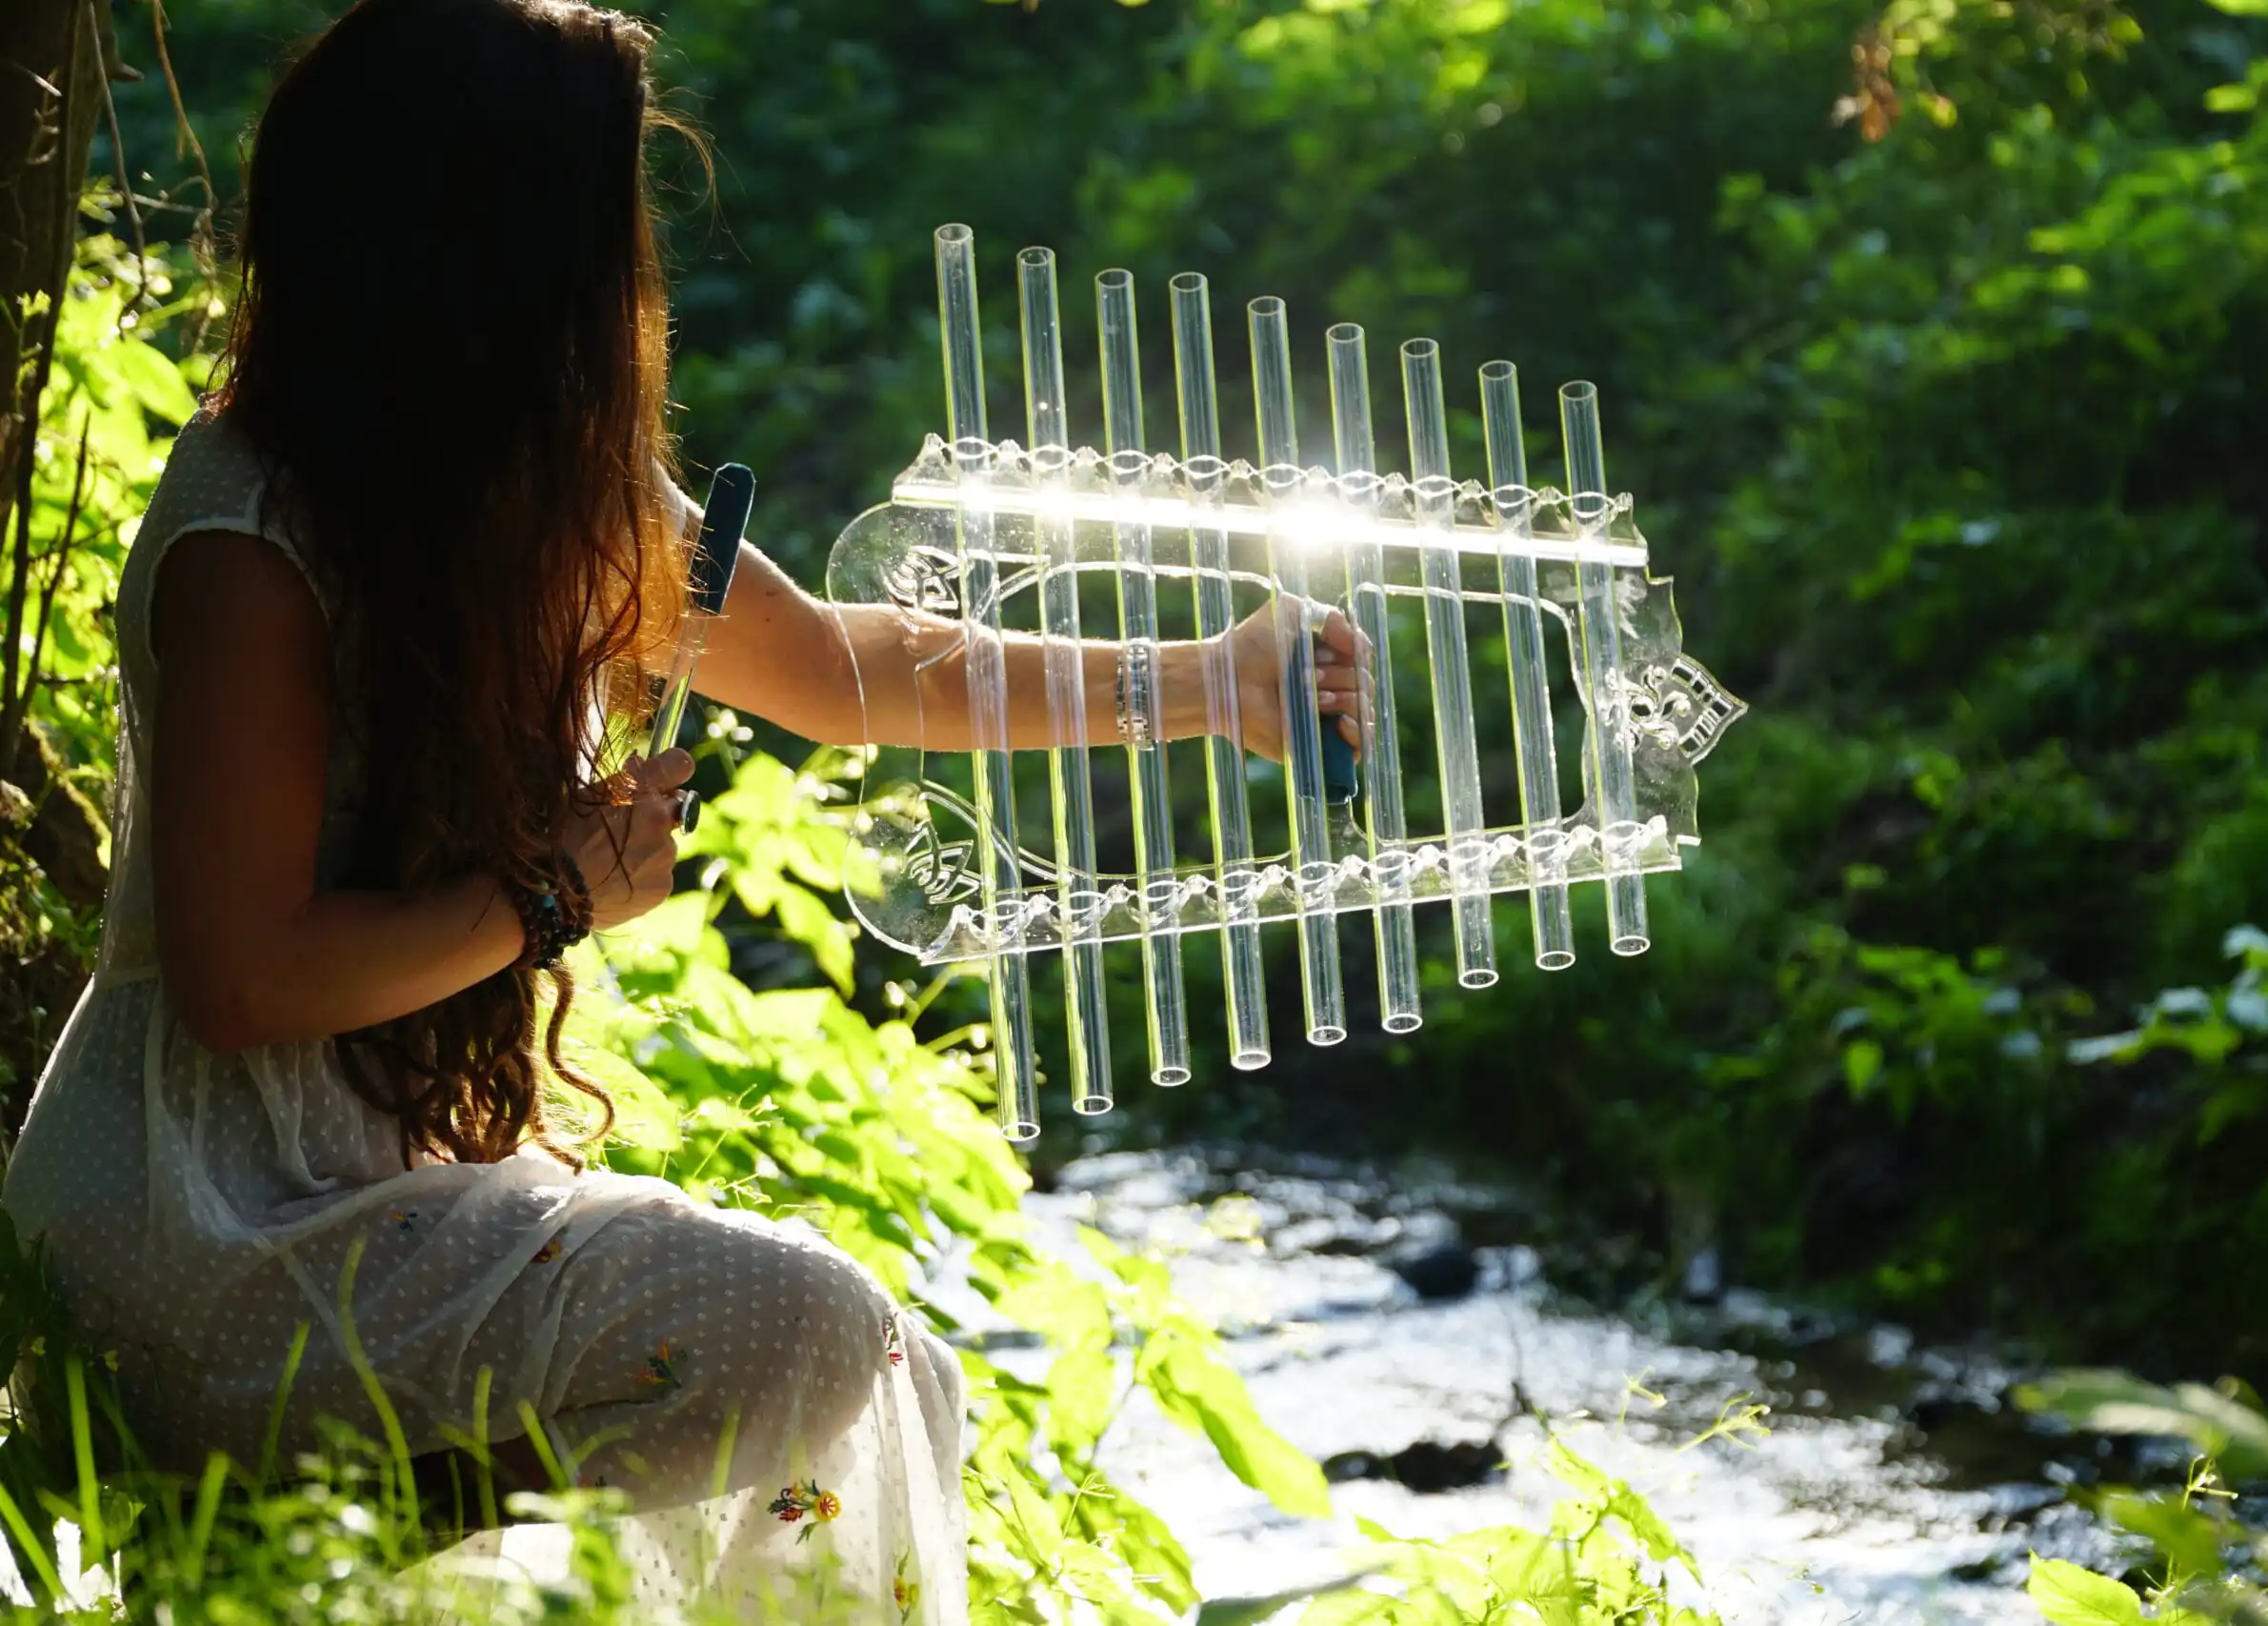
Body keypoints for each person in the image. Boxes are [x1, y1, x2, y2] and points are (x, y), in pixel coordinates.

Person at [0, 0, 1365, 1619]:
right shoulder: (253, 529)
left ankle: (320, 1552)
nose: (631, 278)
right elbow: (245, 979)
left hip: (369, 1198)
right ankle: (284, 1545)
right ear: (484, 240)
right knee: (801, 1333)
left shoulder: (530, 491)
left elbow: (847, 668)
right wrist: (552, 895)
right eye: (604, 222)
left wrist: (1208, 679)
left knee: (877, 1366)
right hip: (200, 1218)